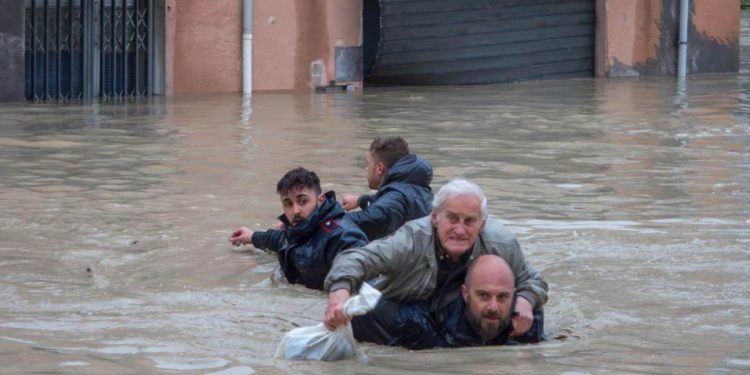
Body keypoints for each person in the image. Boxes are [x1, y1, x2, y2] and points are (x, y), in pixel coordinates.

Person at [323, 179, 548, 339]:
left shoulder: (502, 244)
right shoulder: (410, 240)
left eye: (469, 221)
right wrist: (339, 293)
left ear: (483, 224)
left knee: (532, 320)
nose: (459, 230)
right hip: (406, 305)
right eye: (452, 218)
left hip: (455, 308)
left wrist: (526, 301)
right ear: (435, 217)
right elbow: (355, 258)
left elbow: (533, 280)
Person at [349, 254, 544, 349]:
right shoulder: (420, 324)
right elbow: (363, 308)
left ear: (514, 295)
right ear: (465, 293)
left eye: (502, 297)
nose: (493, 307)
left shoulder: (527, 322)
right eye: (483, 296)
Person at [229, 167, 368, 290]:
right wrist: (252, 236)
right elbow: (279, 239)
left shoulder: (341, 235)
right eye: (288, 204)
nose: (295, 210)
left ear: (320, 200)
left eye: (303, 201)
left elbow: (361, 268)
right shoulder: (297, 231)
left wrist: (341, 290)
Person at [341, 136, 433, 241]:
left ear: (380, 168)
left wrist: (325, 218)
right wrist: (360, 200)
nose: (367, 169)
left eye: (368, 164)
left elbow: (371, 218)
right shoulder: (414, 186)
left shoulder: (396, 199)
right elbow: (386, 203)